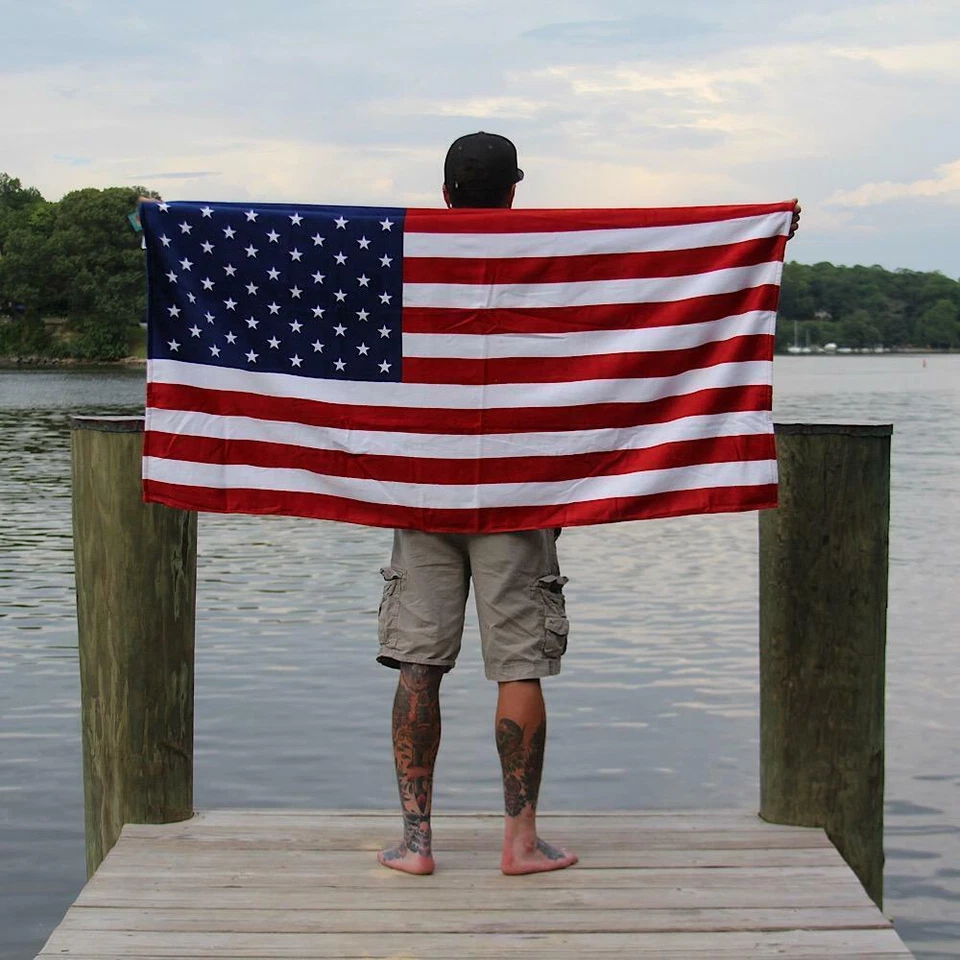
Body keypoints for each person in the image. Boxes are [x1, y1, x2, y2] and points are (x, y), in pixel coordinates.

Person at [376, 132, 578, 877]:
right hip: (520, 493)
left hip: (422, 488)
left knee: (417, 662)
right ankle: (520, 843)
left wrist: (167, 228)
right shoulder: (549, 258)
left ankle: (416, 843)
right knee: (518, 664)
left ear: (445, 192)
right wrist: (763, 235)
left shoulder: (404, 257)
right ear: (513, 192)